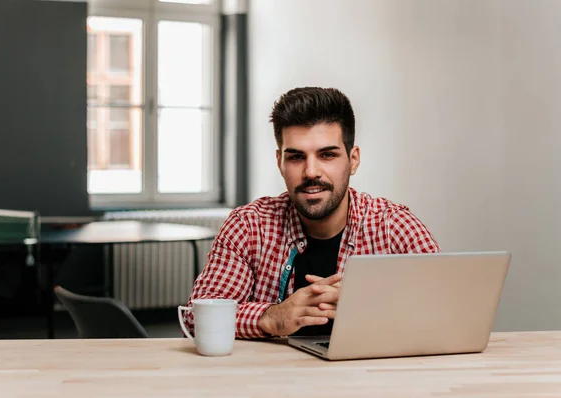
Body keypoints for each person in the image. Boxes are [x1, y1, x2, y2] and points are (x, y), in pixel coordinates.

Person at [183, 87, 440, 339]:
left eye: (327, 155)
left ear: (354, 160)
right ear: (279, 163)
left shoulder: (393, 226)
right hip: (271, 379)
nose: (311, 172)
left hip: (368, 379)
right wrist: (271, 316)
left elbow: (446, 309)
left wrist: (372, 307)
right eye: (296, 157)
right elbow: (198, 316)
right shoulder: (249, 226)